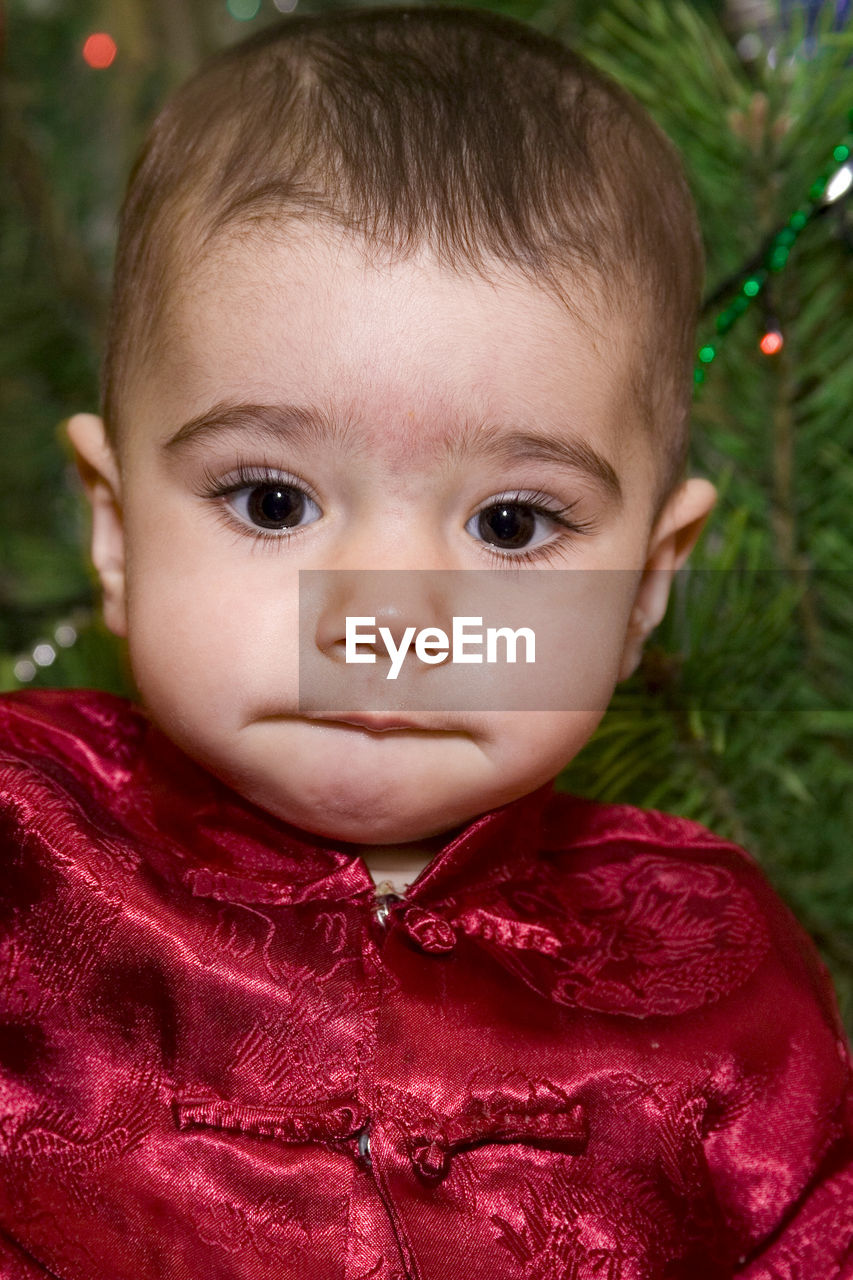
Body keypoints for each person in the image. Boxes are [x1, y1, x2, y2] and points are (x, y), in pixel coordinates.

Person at [1, 6, 851, 1277]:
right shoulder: (25, 842)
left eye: (511, 523)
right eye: (273, 500)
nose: (388, 617)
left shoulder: (720, 967)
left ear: (641, 590)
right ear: (116, 534)